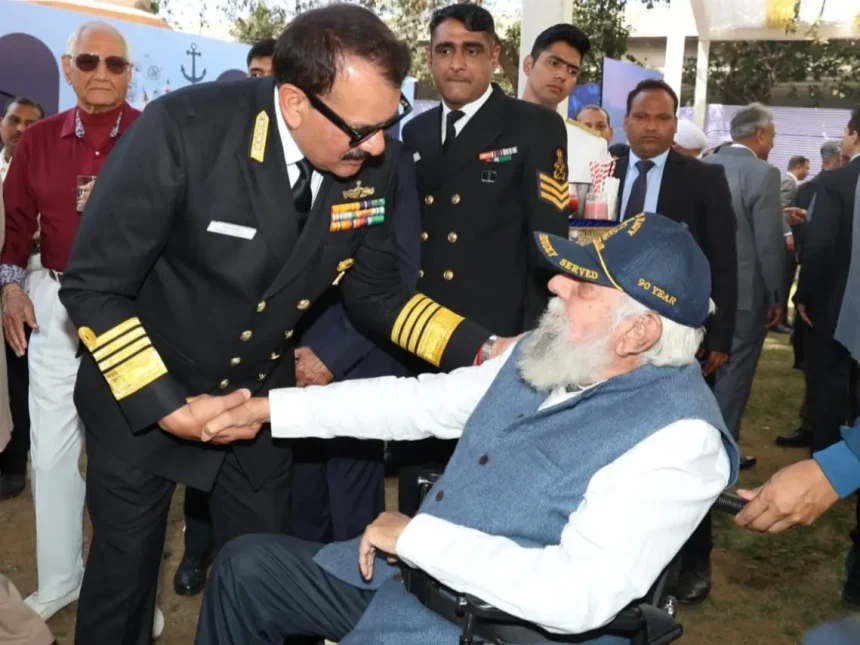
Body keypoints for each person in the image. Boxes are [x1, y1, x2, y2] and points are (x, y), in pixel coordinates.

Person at [58, 7, 508, 644]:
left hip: (254, 403)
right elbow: (95, 286)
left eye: (390, 123)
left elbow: (379, 295)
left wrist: (485, 347)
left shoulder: (372, 162)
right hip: (143, 388)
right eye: (362, 130)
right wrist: (165, 405)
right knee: (122, 579)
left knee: (260, 575)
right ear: (295, 103)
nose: (378, 146)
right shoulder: (186, 130)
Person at [193, 212, 740, 645]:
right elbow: (421, 403)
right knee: (247, 568)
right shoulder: (555, 352)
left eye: (585, 287)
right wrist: (268, 410)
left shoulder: (682, 440)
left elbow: (579, 596)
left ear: (638, 332)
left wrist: (417, 537)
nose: (556, 285)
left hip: (491, 629)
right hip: (408, 582)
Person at [395, 4, 569, 515]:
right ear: (429, 57)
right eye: (445, 50)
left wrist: (540, 339)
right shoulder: (416, 132)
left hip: (496, 334)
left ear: (495, 58)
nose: (457, 64)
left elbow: (548, 243)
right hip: (422, 330)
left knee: (486, 469)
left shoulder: (533, 127)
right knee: (420, 458)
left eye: (472, 51)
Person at [0, 21, 141, 622]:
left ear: (130, 73)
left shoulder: (154, 134)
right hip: (53, 302)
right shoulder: (38, 140)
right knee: (52, 453)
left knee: (127, 459)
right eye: (89, 61)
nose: (102, 74)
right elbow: (13, 229)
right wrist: (10, 290)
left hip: (135, 309)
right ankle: (61, 578)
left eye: (115, 64)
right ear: (67, 67)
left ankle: (123, 592)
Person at [777, 139, 844, 449]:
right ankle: (813, 425)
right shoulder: (812, 188)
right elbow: (806, 238)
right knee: (816, 364)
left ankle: (825, 433)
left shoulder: (828, 186)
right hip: (820, 285)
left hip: (825, 288)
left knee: (826, 366)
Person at [0, 96, 44, 500]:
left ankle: (14, 463)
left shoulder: (46, 173)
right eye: (15, 120)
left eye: (32, 123)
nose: (21, 129)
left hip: (26, 288)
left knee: (18, 381)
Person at [520, 24, 612, 184]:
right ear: (529, 64)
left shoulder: (592, 147)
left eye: (572, 71)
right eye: (554, 63)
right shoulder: (488, 129)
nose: (562, 75)